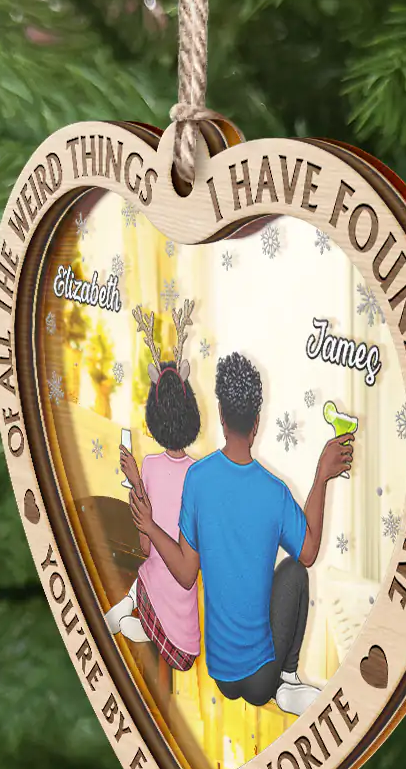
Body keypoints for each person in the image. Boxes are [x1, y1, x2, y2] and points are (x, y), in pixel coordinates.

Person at [129, 352, 353, 715]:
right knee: (294, 571)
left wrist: (151, 527)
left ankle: (282, 682)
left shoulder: (197, 478)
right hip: (261, 679)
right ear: (257, 423)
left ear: (220, 415)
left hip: (220, 672)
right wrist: (321, 477)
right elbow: (309, 552)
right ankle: (287, 680)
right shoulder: (274, 492)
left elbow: (186, 573)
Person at [104, 302, 202, 671]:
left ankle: (133, 612)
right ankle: (133, 615)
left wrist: (136, 483)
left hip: (155, 592)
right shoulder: (200, 474)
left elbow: (146, 548)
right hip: (184, 640)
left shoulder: (149, 466)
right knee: (184, 656)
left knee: (148, 572)